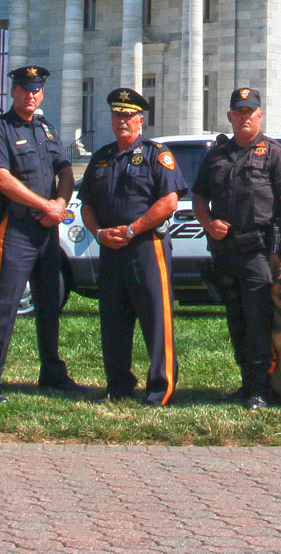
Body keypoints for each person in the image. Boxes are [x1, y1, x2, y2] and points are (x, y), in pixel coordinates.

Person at [0, 65, 82, 400]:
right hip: (17, 228)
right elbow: (1, 178)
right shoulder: (0, 130)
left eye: (36, 90)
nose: (30, 96)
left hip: (47, 231)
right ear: (13, 92)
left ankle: (52, 373)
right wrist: (44, 205)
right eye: (24, 90)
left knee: (49, 304)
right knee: (2, 306)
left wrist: (60, 203)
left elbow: (65, 170)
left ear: (42, 93)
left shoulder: (46, 129)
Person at [191, 86, 281, 409]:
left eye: (249, 112)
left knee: (258, 322)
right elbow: (198, 198)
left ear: (260, 115)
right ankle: (246, 383)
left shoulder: (276, 154)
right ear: (230, 117)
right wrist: (209, 223)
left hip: (259, 253)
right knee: (236, 320)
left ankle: (262, 389)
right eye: (238, 113)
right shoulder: (216, 156)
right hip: (225, 252)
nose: (244, 118)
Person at [78, 87, 184, 405]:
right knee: (113, 320)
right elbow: (87, 204)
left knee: (156, 319)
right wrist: (98, 233)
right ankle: (118, 386)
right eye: (116, 115)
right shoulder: (101, 158)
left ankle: (160, 389)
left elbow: (169, 201)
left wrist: (133, 229)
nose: (121, 121)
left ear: (141, 120)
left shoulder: (156, 154)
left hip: (146, 247)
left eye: (128, 116)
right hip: (110, 248)